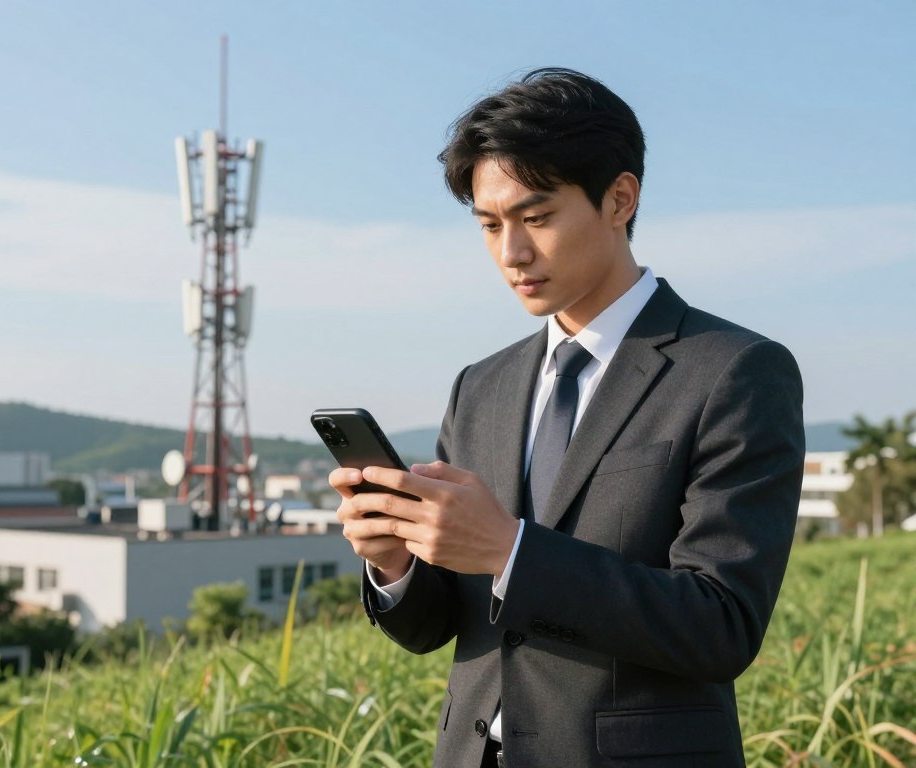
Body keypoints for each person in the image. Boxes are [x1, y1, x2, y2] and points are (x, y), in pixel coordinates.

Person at [330, 68, 804, 768]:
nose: (511, 253)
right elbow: (440, 627)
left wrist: (510, 551)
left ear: (620, 199)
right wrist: (394, 563)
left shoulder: (734, 371)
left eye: (537, 217)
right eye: (489, 225)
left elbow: (721, 625)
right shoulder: (480, 387)